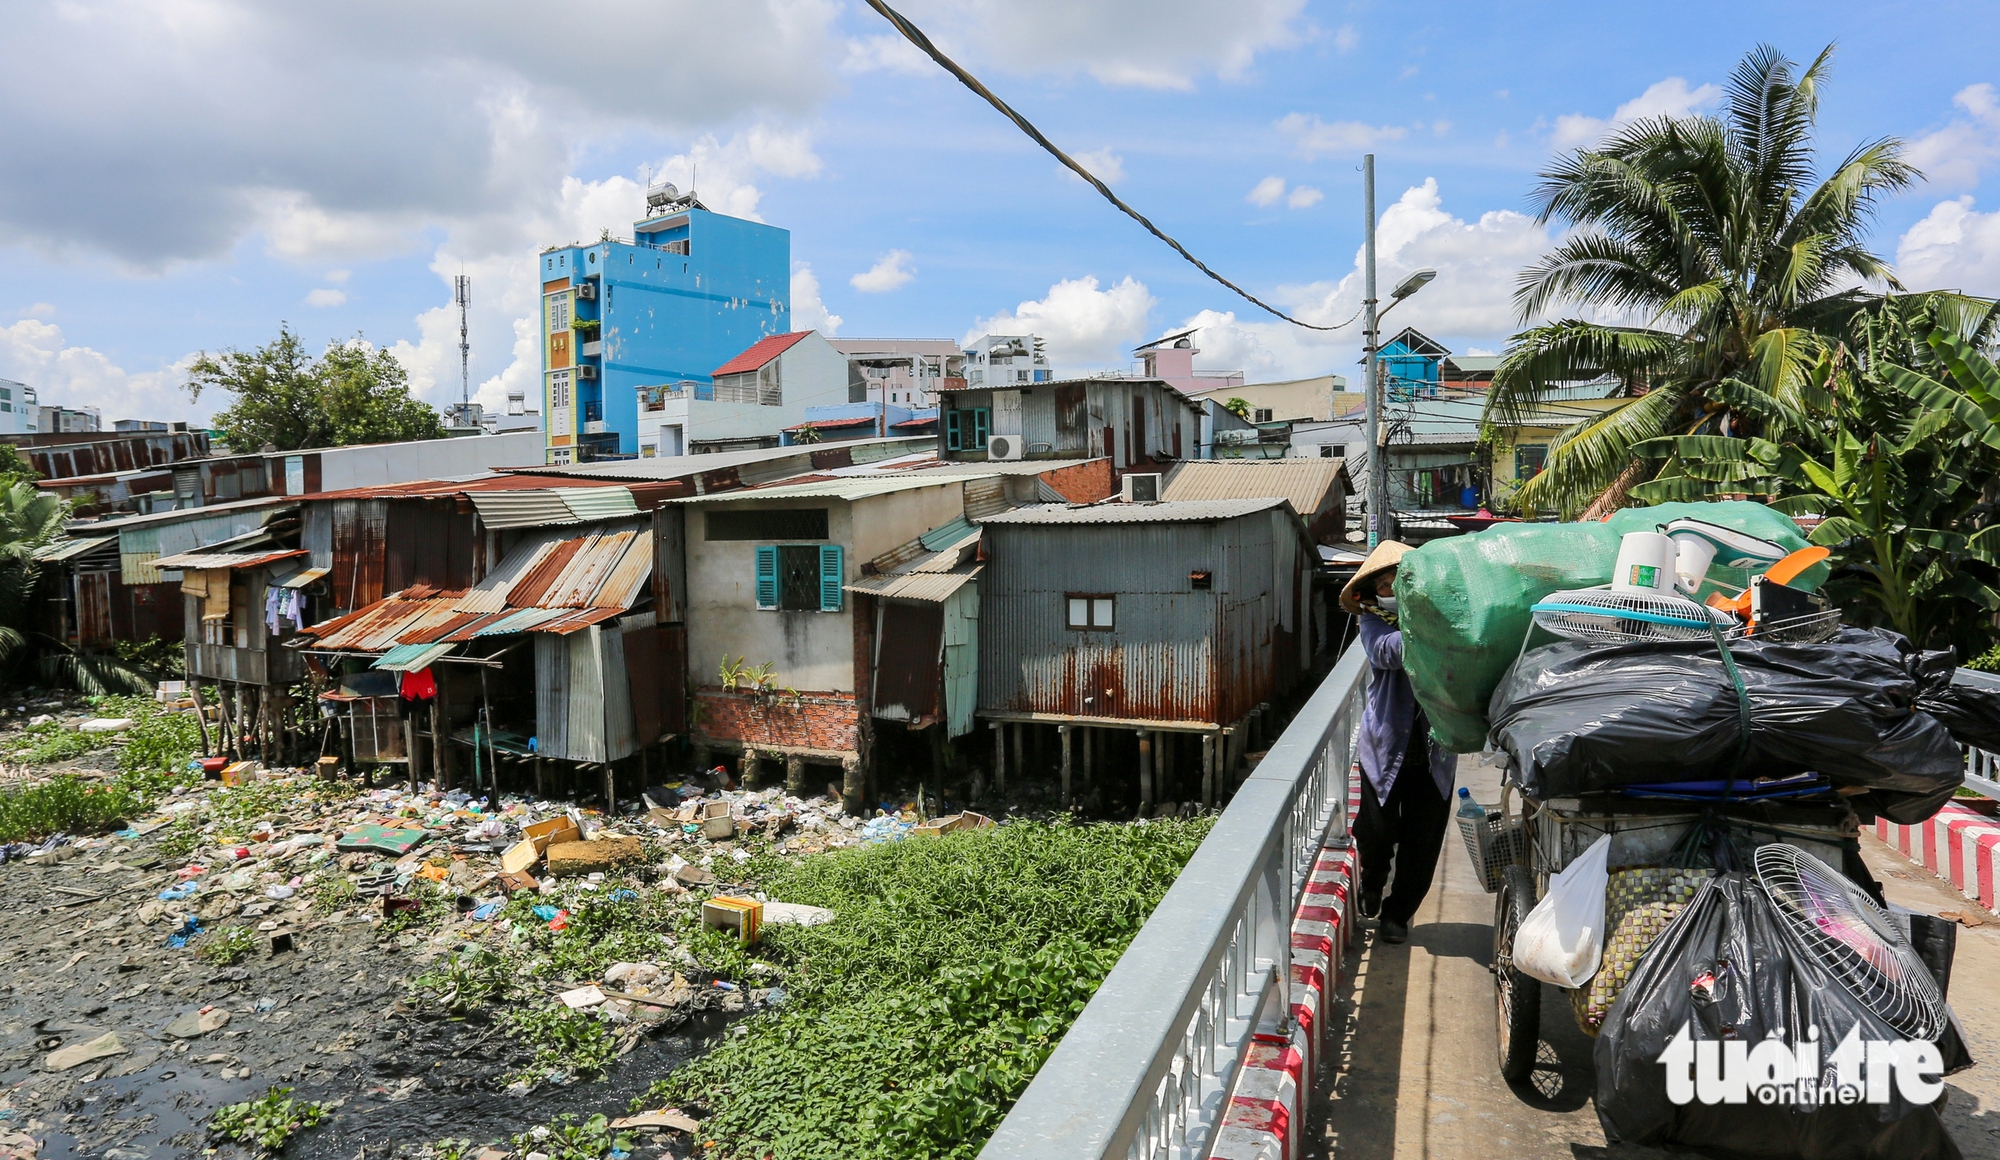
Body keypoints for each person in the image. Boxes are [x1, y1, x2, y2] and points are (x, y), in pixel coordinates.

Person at [1339, 540, 1455, 945]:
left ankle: (1398, 914)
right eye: (1384, 586)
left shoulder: (1446, 615)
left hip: (1435, 754)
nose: (1391, 590)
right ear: (1375, 593)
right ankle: (1372, 884)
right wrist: (1434, 633)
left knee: (1421, 846)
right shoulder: (1372, 621)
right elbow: (1386, 653)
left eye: (1399, 582)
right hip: (1385, 748)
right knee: (1376, 833)